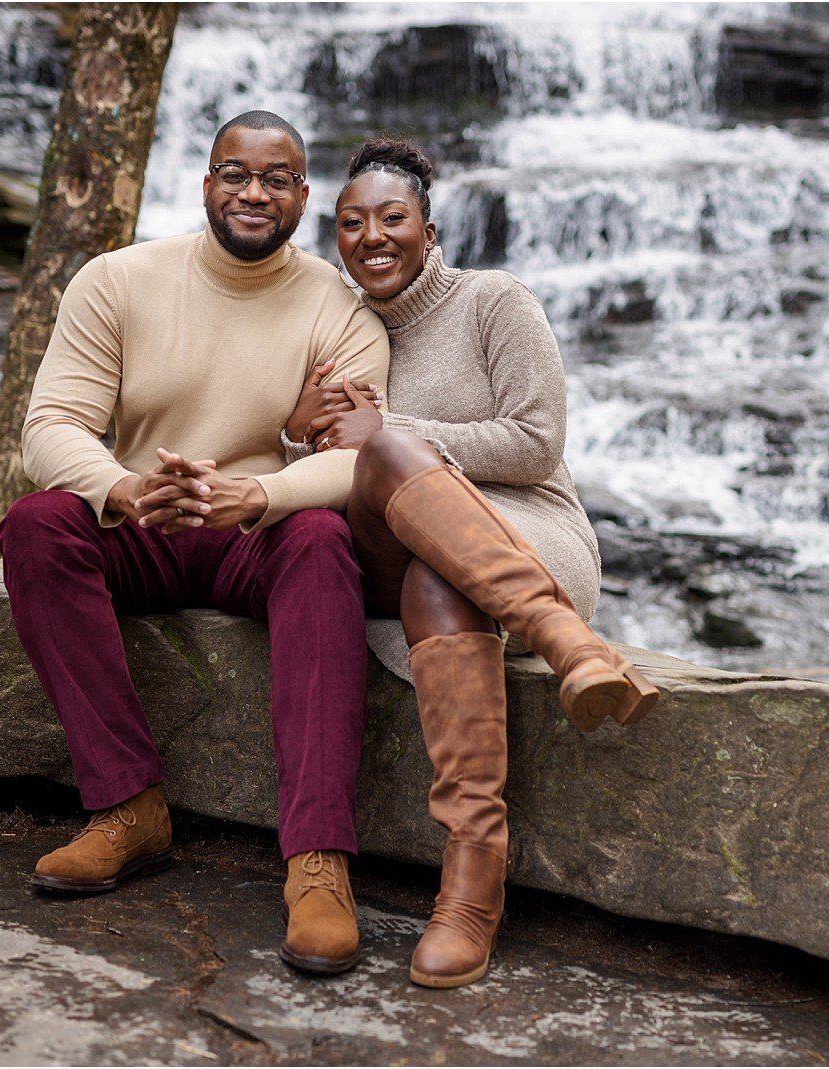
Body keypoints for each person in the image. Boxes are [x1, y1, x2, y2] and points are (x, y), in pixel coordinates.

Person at [0, 110, 389, 977]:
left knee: (324, 540)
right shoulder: (118, 280)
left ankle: (317, 859)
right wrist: (124, 488)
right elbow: (51, 425)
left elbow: (362, 457)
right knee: (34, 525)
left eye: (276, 177)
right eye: (236, 174)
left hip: (253, 531)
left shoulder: (338, 305)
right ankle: (129, 809)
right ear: (207, 183)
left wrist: (263, 493)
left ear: (302, 195)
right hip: (143, 520)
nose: (255, 191)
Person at [294, 137, 659, 989]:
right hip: (391, 557)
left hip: (530, 532)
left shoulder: (495, 300)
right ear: (335, 237)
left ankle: (469, 889)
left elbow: (537, 445)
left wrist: (399, 433)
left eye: (393, 218)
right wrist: (298, 426)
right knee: (391, 480)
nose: (373, 236)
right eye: (352, 223)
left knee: (435, 564)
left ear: (430, 226)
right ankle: (571, 646)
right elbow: (310, 465)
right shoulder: (336, 332)